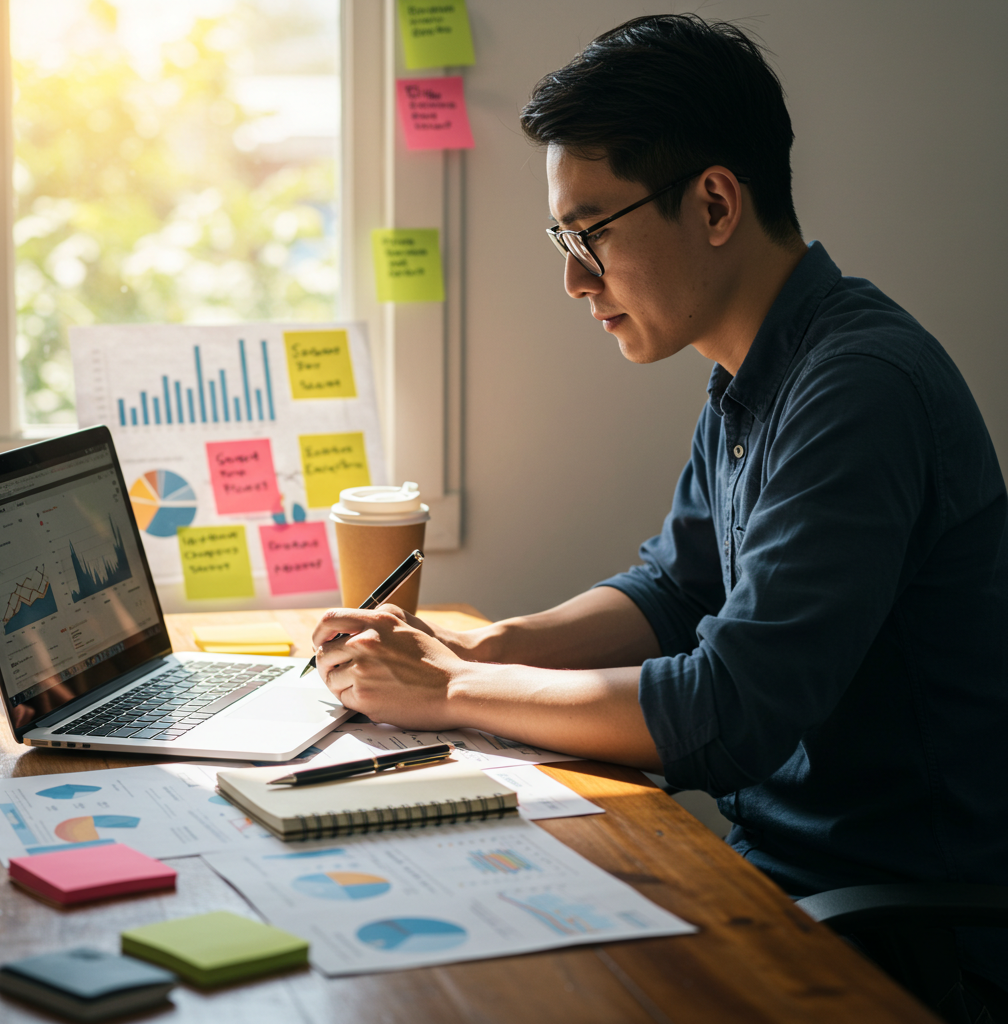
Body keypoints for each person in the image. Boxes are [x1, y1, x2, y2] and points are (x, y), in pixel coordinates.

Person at [313, 15, 1008, 1019]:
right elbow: (676, 587)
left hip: (897, 936)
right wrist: (488, 643)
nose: (572, 277)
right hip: (783, 882)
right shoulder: (754, 374)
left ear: (715, 202)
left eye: (589, 231)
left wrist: (459, 689)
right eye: (563, 236)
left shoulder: (858, 388)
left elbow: (727, 708)